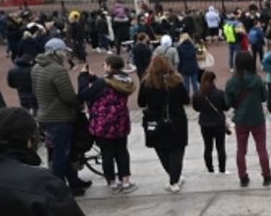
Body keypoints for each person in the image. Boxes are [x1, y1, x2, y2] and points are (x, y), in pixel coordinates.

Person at [32, 39, 92, 196]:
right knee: (62, 154)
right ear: (56, 52)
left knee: (56, 152)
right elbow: (68, 96)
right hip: (60, 117)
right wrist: (79, 102)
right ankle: (59, 188)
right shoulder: (57, 70)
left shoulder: (36, 68)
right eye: (64, 52)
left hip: (45, 115)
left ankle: (73, 180)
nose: (66, 55)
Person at [78, 55, 136, 193]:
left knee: (107, 153)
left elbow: (84, 94)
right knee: (122, 151)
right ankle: (126, 181)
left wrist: (83, 77)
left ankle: (112, 182)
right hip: (121, 121)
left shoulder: (104, 82)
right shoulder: (126, 80)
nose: (103, 67)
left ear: (110, 66)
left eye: (104, 65)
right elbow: (108, 85)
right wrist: (94, 78)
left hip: (103, 123)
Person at [138, 54, 190, 192]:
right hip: (176, 120)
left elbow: (141, 102)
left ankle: (174, 177)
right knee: (177, 151)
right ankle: (175, 179)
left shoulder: (146, 83)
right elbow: (185, 99)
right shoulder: (176, 81)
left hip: (155, 121)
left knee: (162, 151)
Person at [225, 54, 271, 186]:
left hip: (241, 119)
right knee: (261, 148)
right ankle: (266, 175)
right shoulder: (257, 80)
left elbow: (227, 102)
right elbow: (264, 98)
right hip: (257, 118)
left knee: (241, 150)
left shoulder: (232, 82)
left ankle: (243, 177)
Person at [193, 70, 229, 175]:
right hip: (218, 123)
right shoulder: (220, 93)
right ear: (214, 80)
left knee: (207, 147)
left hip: (204, 124)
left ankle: (210, 169)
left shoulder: (197, 94)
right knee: (220, 148)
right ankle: (222, 169)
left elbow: (196, 108)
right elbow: (226, 107)